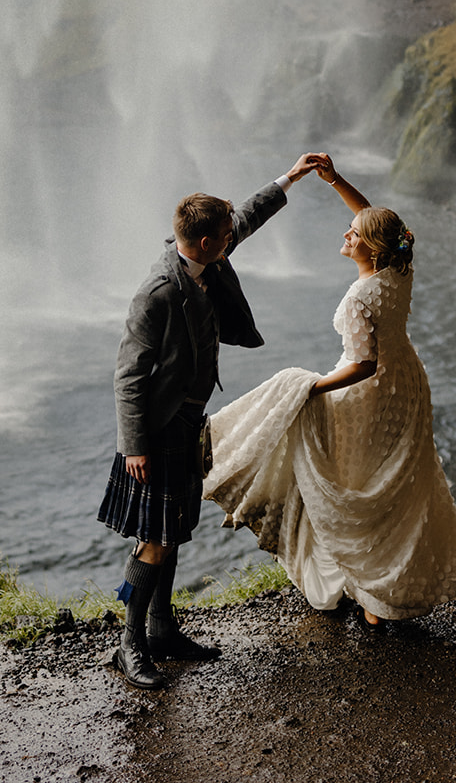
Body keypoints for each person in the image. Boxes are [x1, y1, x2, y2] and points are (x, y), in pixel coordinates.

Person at [203, 157, 456, 625]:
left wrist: (311, 388)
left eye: (352, 235)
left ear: (371, 250)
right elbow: (377, 219)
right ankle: (382, 593)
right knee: (391, 484)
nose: (345, 235)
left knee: (353, 485)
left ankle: (221, 455)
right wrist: (334, 180)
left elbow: (362, 365)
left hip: (370, 392)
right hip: (408, 385)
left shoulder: (360, 297)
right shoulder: (398, 265)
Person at [97, 152, 327, 689]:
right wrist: (134, 447)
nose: (232, 240)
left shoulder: (203, 256)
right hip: (156, 432)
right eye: (225, 237)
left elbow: (242, 217)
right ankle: (128, 644)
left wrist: (289, 178)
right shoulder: (157, 293)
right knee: (152, 541)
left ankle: (162, 629)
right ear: (204, 242)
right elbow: (128, 373)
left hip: (188, 420)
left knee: (173, 532)